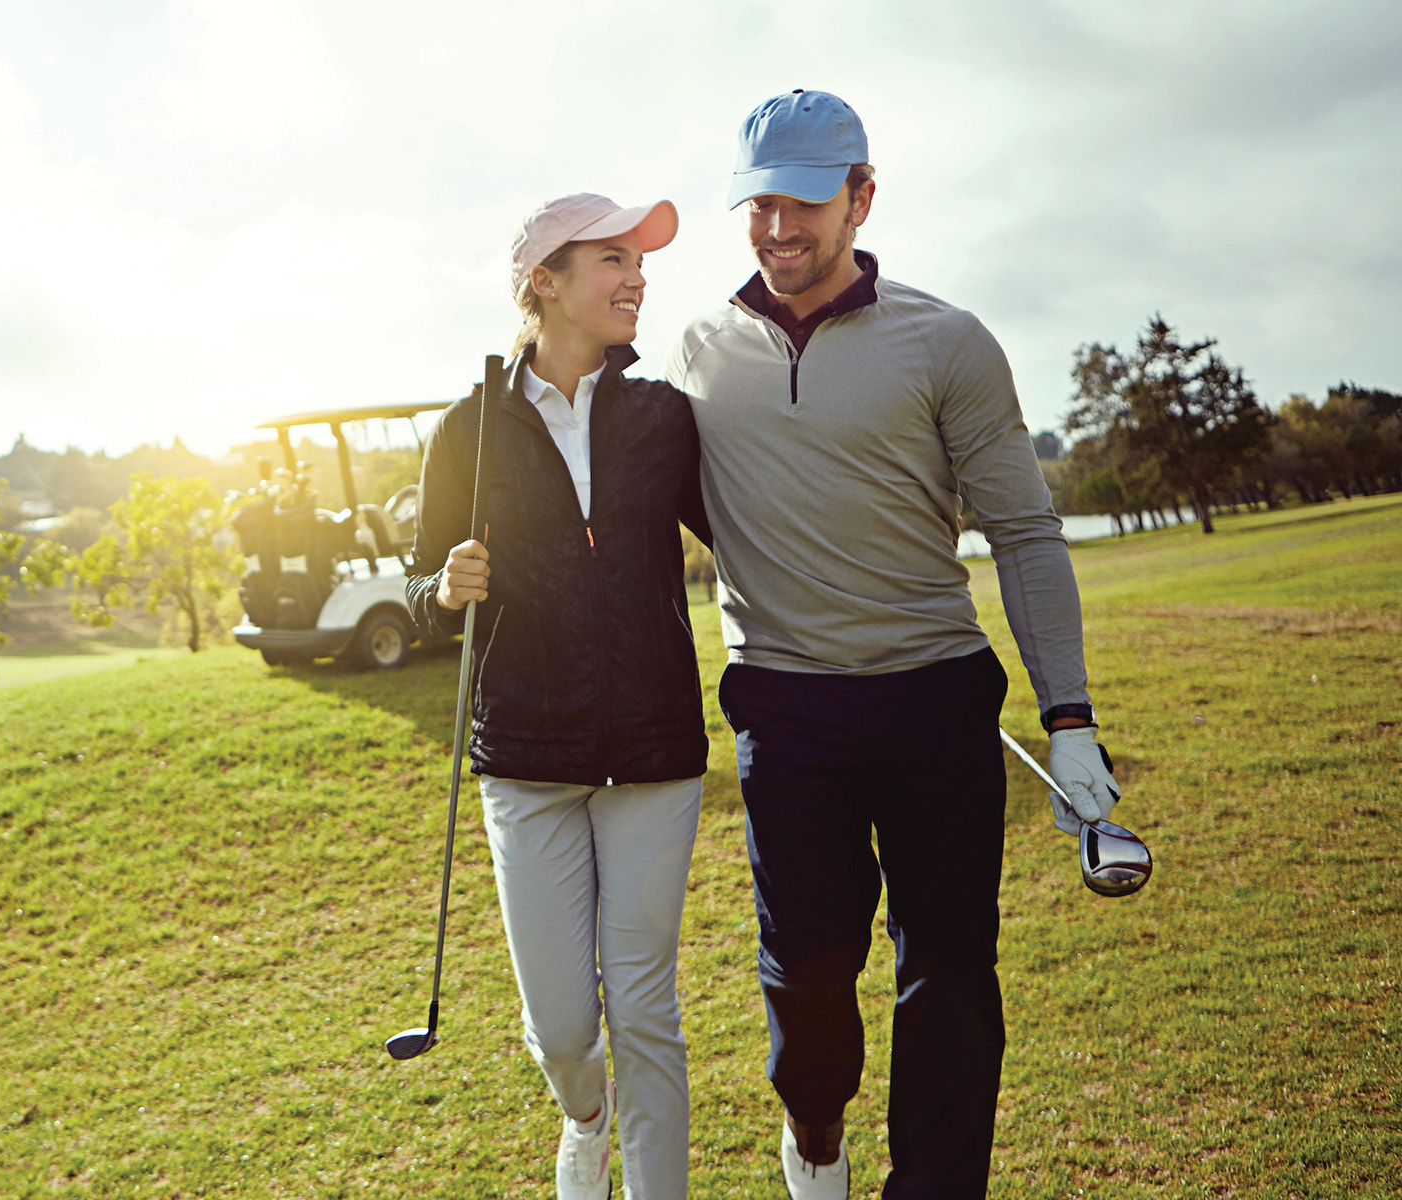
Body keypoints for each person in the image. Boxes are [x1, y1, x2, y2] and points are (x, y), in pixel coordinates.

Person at [664, 91, 1125, 1200]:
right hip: (787, 708)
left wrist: (1069, 719)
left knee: (952, 974)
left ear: (862, 197)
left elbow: (1024, 533)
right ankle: (815, 1132)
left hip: (935, 701)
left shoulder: (948, 341)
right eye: (759, 205)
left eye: (805, 203)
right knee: (807, 974)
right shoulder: (699, 349)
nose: (779, 229)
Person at [407, 193, 714, 1200]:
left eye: (640, 261)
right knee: (565, 1027)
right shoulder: (468, 430)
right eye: (612, 259)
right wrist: (442, 586)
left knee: (646, 1012)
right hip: (527, 759)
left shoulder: (663, 416)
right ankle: (584, 1116)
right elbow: (419, 583)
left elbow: (748, 533)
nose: (637, 278)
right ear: (543, 281)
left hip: (656, 755)